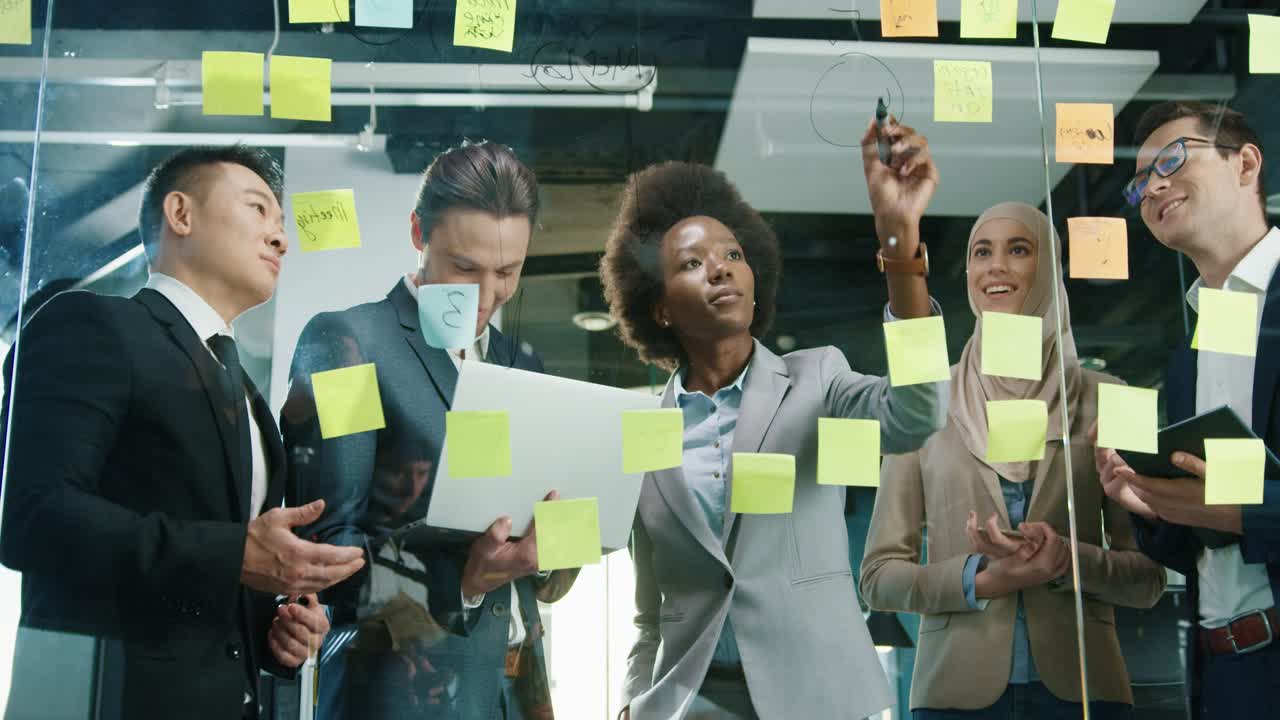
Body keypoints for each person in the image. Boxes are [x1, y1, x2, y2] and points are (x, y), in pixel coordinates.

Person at [0, 146, 363, 720]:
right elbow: (32, 518)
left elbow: (212, 574)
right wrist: (235, 556)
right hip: (107, 701)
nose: (281, 239)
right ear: (181, 213)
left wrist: (276, 629)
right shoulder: (90, 325)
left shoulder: (246, 394)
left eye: (281, 223)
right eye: (257, 209)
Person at [603, 116, 948, 719]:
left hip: (817, 694)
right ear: (658, 308)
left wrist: (900, 245)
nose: (720, 268)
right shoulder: (643, 432)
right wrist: (634, 700)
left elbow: (916, 415)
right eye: (691, 264)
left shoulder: (817, 379)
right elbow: (652, 609)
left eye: (732, 254)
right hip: (695, 701)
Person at [281, 140, 577, 720]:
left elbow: (545, 567)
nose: (487, 296)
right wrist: (462, 583)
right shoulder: (348, 347)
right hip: (398, 698)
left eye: (508, 272)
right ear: (419, 233)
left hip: (516, 695)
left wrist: (557, 541)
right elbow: (328, 549)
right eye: (464, 268)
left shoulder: (525, 366)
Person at [860, 201, 1167, 719]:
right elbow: (878, 576)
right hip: (955, 694)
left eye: (1019, 249)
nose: (996, 266)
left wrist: (1066, 559)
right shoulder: (925, 403)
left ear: (1047, 269)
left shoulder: (1115, 399)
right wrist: (982, 578)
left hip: (1087, 691)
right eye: (982, 252)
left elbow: (1149, 580)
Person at [1093, 101, 1280, 719]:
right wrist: (1142, 499)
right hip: (1220, 668)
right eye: (1140, 181)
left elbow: (1233, 512)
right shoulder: (1190, 351)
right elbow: (1196, 546)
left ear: (1246, 163)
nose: (1154, 187)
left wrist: (1242, 510)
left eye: (1172, 160)